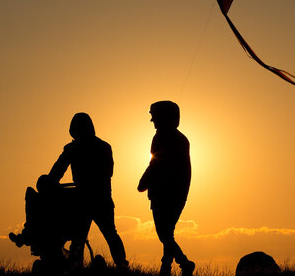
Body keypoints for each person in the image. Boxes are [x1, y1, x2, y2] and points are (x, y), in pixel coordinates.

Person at [47, 112, 128, 269]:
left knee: (81, 236)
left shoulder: (73, 148)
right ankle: (121, 265)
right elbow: (58, 170)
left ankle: (76, 266)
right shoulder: (104, 147)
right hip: (100, 198)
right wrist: (51, 180)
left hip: (87, 199)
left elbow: (58, 170)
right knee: (108, 234)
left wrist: (50, 182)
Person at [138, 101, 195, 276]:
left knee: (163, 233)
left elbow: (156, 163)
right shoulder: (180, 138)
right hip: (177, 194)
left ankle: (183, 262)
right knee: (167, 232)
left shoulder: (162, 137)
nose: (152, 120)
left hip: (164, 194)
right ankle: (166, 267)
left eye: (154, 116)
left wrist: (143, 182)